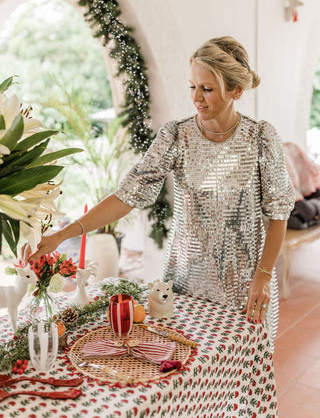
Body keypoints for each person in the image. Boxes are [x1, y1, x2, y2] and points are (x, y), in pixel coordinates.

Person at [22, 36, 295, 349]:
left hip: (247, 286)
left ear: (236, 91)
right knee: (189, 375)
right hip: (184, 285)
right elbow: (127, 196)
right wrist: (60, 236)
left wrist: (262, 277)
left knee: (245, 380)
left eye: (207, 89)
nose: (197, 98)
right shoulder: (176, 136)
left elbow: (278, 212)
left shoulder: (261, 137)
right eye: (192, 86)